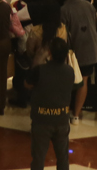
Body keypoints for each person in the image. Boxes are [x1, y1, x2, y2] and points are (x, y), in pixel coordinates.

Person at [26, 36, 75, 170]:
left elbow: (27, 84)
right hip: (62, 120)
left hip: (42, 120)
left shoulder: (39, 70)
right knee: (63, 158)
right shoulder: (70, 72)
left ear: (50, 53)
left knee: (38, 158)